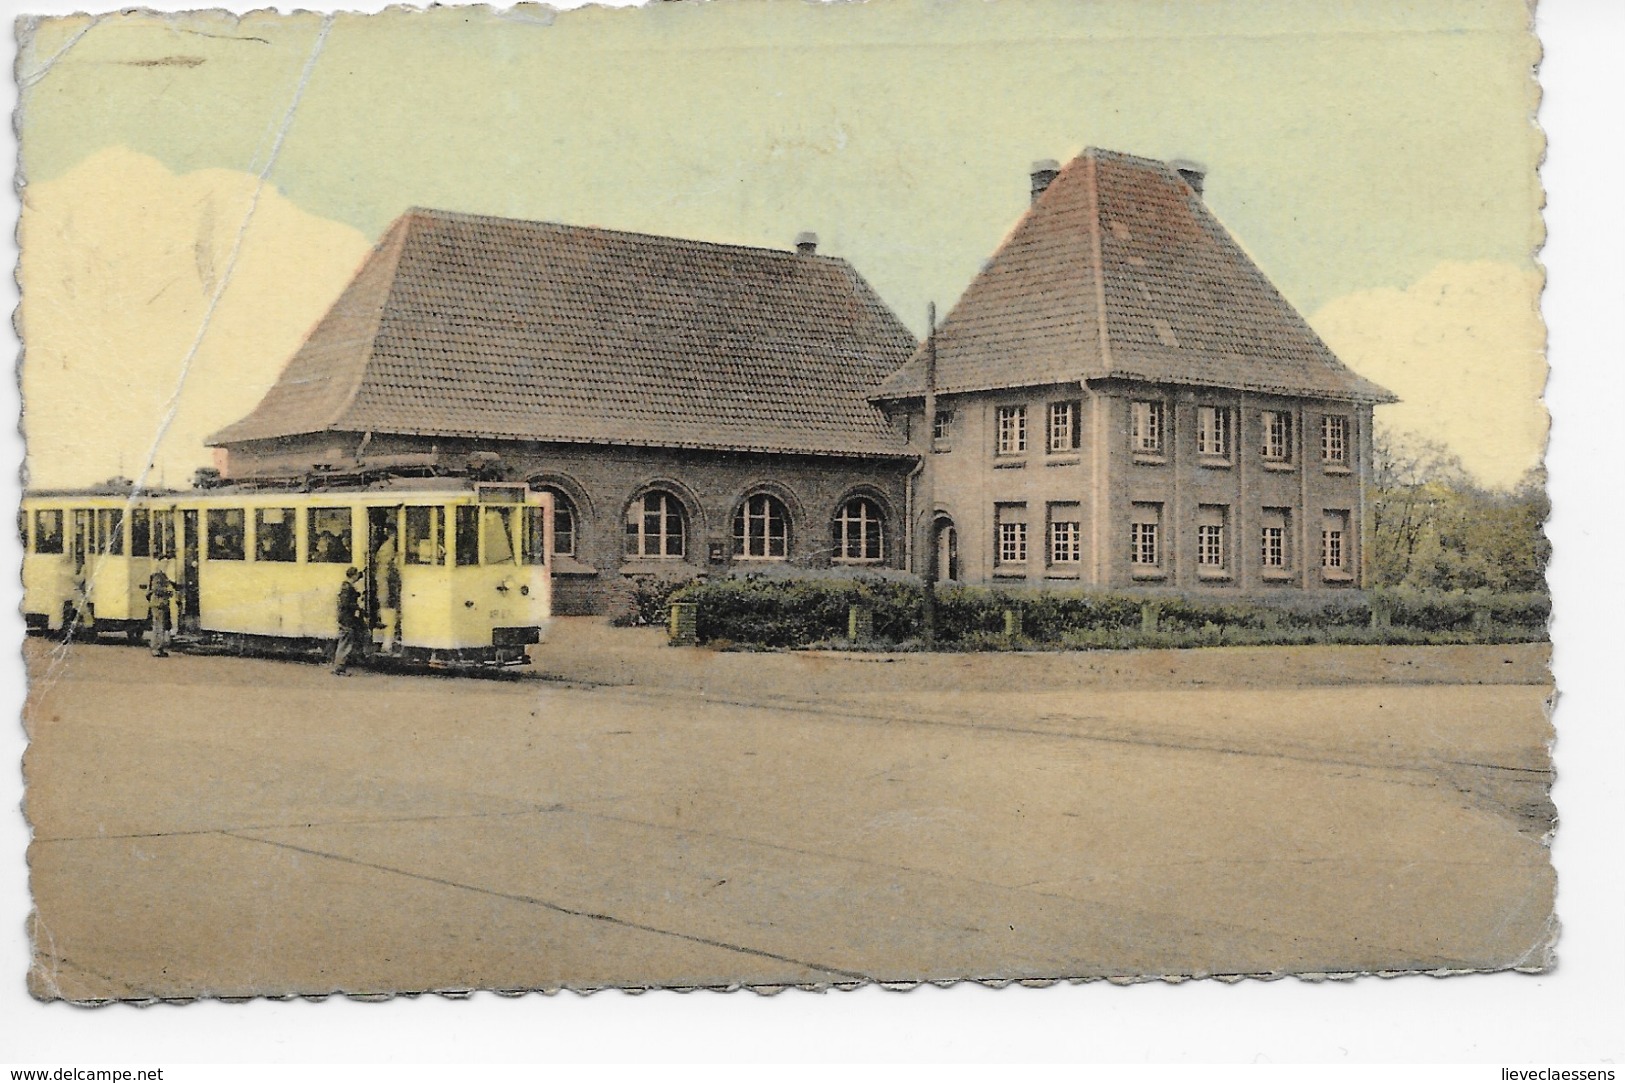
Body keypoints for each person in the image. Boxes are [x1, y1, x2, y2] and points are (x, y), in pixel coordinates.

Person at [333, 566, 368, 676]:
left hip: (345, 618)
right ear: (354, 575)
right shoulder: (347, 588)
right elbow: (346, 604)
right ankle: (339, 667)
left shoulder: (347, 586)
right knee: (345, 642)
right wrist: (358, 608)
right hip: (346, 619)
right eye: (357, 575)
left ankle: (339, 667)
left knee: (345, 640)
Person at [145, 565, 175, 657]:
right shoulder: (158, 576)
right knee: (159, 626)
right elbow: (157, 589)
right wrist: (168, 592)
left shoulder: (161, 576)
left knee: (160, 626)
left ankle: (159, 648)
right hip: (158, 604)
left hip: (160, 604)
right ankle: (156, 648)